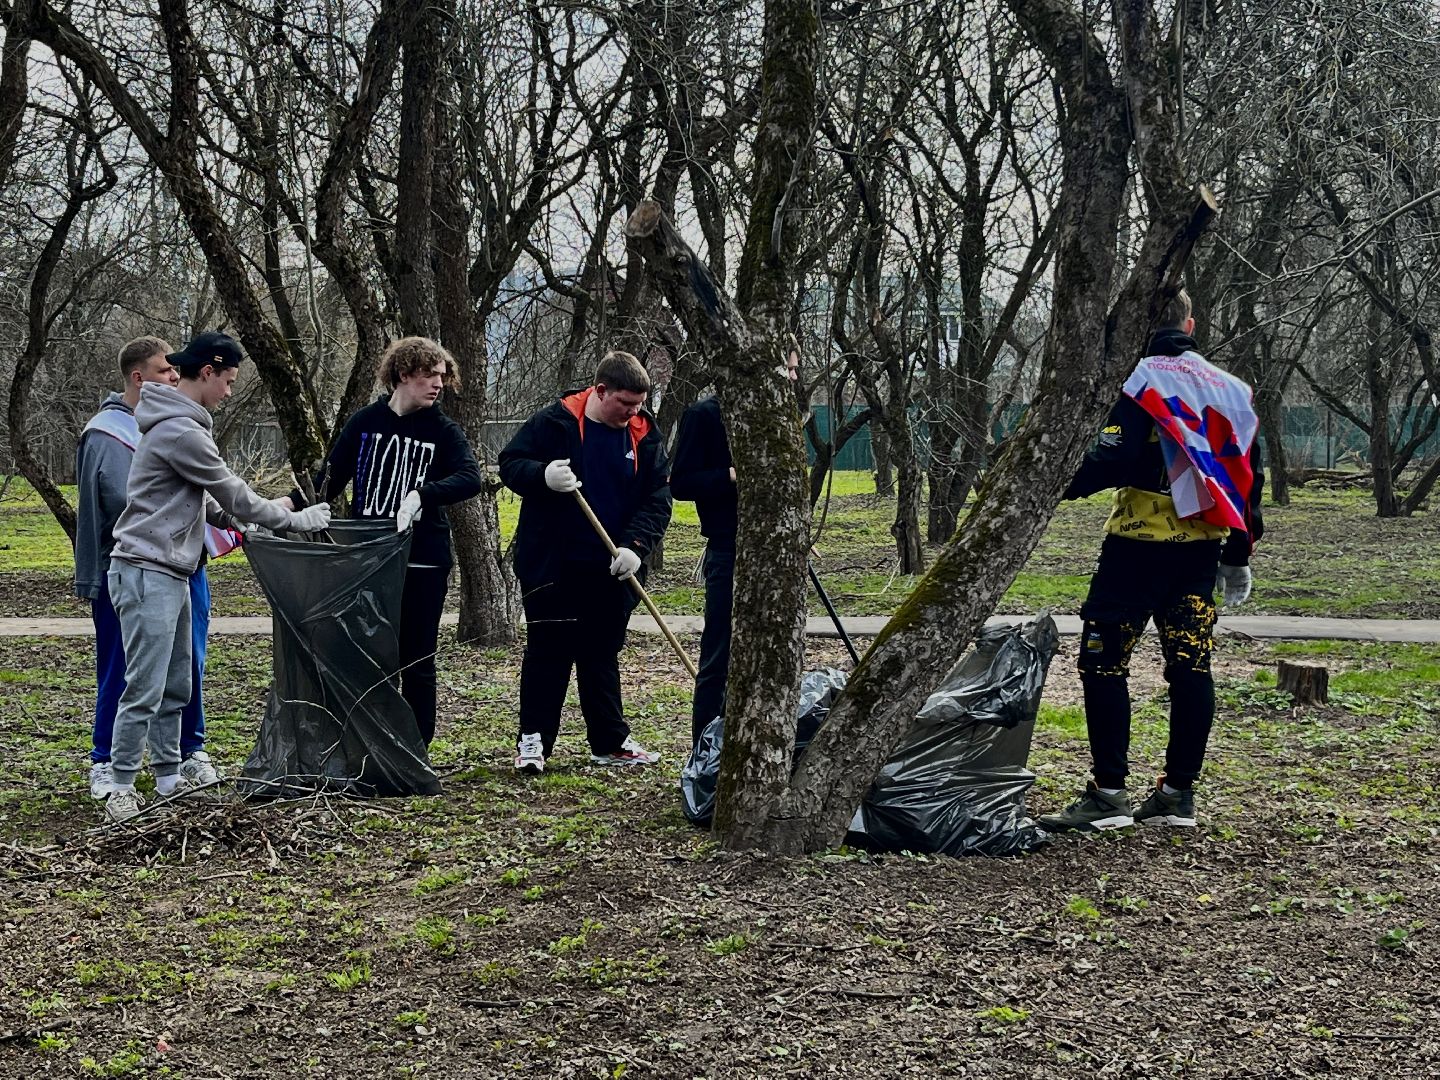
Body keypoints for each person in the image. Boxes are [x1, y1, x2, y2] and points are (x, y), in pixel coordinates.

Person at [1040, 290, 1264, 833]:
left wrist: (1051, 485)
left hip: (1135, 547)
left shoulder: (1137, 380)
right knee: (1190, 667)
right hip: (1200, 552)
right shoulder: (1232, 389)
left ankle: (1109, 793)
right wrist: (1238, 553)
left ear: (1139, 322)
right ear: (1190, 322)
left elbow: (1111, 456)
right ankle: (1178, 793)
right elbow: (1246, 479)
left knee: (1103, 664)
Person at [103, 332, 331, 822]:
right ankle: (121, 785)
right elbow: (232, 490)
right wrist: (291, 519)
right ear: (206, 372)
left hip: (173, 569)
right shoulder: (180, 430)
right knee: (145, 684)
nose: (229, 391)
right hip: (146, 571)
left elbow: (200, 499)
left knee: (177, 681)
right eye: (227, 381)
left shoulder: (177, 425)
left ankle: (168, 777)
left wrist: (234, 524)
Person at [288, 336, 483, 747]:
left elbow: (470, 477)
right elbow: (329, 477)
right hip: (369, 562)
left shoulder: (443, 430)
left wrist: (422, 495)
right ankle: (368, 746)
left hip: (424, 561)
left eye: (443, 377)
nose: (438, 384)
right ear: (402, 374)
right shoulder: (365, 423)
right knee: (367, 656)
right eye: (429, 375)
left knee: (417, 659)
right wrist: (283, 508)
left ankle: (415, 749)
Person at [499, 350, 672, 773]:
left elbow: (658, 498)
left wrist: (635, 546)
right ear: (600, 390)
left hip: (613, 564)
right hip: (551, 563)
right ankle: (533, 742)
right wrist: (542, 476)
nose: (634, 412)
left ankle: (609, 741)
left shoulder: (644, 434)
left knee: (601, 652)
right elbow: (510, 464)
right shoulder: (555, 421)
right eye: (625, 403)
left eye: (639, 404)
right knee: (548, 651)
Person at [74, 337, 223, 799]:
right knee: (127, 672)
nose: (175, 377)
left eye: (176, 370)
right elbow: (115, 507)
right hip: (134, 568)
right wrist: (93, 578)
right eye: (164, 371)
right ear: (139, 377)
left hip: (185, 564)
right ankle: (107, 764)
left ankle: (183, 753)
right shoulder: (107, 432)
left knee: (184, 668)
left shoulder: (177, 423)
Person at [669, 346, 801, 749]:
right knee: (719, 653)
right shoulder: (705, 415)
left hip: (777, 550)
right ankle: (705, 752)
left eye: (796, 371)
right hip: (728, 549)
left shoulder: (780, 416)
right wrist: (731, 474)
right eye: (788, 370)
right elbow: (681, 483)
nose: (793, 379)